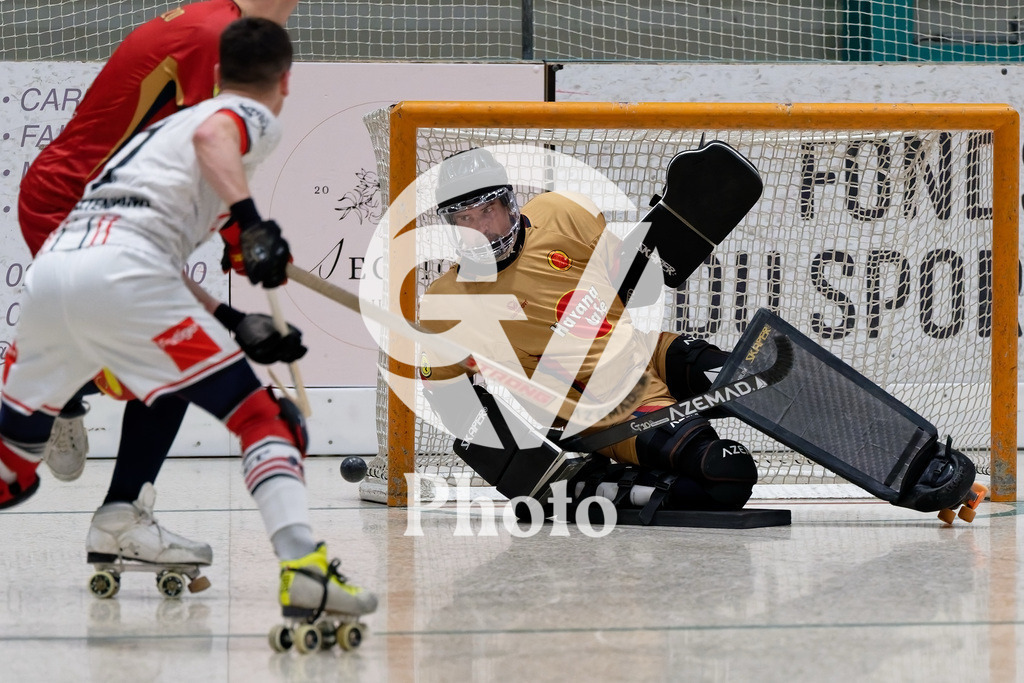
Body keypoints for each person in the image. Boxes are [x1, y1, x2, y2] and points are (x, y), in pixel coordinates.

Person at [0, 18, 376, 621]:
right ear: (285, 81)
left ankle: (115, 498)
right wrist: (252, 223)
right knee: (270, 420)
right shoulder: (245, 117)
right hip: (127, 278)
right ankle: (306, 572)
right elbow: (214, 136)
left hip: (54, 277)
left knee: (11, 471)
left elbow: (127, 247)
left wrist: (230, 316)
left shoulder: (153, 134)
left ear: (217, 71)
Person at [18, 0, 302, 484]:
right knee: (173, 355)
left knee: (176, 348)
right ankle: (60, 405)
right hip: (75, 203)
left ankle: (119, 496)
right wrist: (245, 236)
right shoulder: (214, 34)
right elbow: (206, 146)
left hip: (118, 207)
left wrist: (237, 264)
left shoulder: (221, 24)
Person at [417, 148, 759, 515]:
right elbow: (450, 398)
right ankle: (584, 486)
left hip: (643, 353)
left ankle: (627, 472)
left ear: (509, 204)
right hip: (608, 409)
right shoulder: (449, 303)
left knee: (760, 379)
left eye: (488, 211)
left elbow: (632, 288)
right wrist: (525, 463)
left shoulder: (562, 212)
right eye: (465, 218)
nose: (481, 229)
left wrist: (670, 228)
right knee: (726, 473)